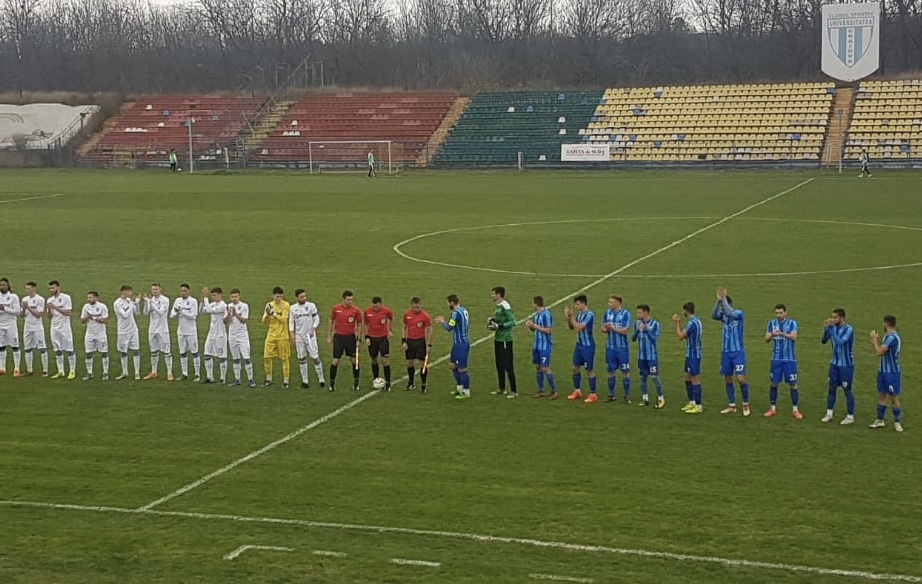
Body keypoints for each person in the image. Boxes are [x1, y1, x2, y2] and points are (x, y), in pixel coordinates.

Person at [712, 287, 750, 416]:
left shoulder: (738, 314)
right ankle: (732, 405)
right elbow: (713, 315)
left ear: (729, 304)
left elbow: (729, 312)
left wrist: (723, 300)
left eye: (724, 306)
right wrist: (718, 302)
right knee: (728, 379)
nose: (723, 309)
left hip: (738, 352)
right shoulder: (723, 316)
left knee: (741, 379)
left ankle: (745, 403)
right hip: (726, 352)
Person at [764, 303, 802, 419]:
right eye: (776, 313)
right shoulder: (771, 323)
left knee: (793, 384)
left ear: (785, 312)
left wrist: (781, 333)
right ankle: (772, 409)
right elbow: (766, 339)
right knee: (774, 383)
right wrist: (772, 334)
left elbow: (794, 337)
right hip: (776, 359)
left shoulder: (792, 323)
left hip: (790, 359)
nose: (778, 315)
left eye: (780, 313)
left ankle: (795, 409)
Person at [821, 308, 856, 425]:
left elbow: (839, 342)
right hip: (834, 364)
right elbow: (823, 341)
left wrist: (831, 329)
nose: (833, 319)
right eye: (832, 317)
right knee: (831, 388)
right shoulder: (833, 327)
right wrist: (826, 329)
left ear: (842, 318)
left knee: (847, 390)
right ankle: (829, 413)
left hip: (846, 366)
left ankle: (850, 416)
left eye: (835, 317)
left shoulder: (849, 329)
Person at [869, 315, 902, 432]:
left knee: (894, 397)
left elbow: (879, 352)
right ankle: (880, 420)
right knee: (882, 395)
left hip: (892, 373)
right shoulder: (888, 337)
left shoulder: (892, 338)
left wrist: (874, 341)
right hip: (883, 372)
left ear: (886, 324)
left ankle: (897, 422)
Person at [435, 294, 470, 399]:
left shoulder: (455, 313)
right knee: (452, 365)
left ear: (451, 302)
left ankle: (466, 392)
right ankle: (459, 389)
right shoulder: (463, 310)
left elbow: (449, 328)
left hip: (461, 345)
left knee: (462, 369)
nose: (447, 305)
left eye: (448, 303)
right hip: (457, 344)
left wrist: (442, 322)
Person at [290, 289, 325, 389]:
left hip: (310, 336)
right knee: (301, 358)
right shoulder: (293, 308)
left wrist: (313, 328)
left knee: (315, 357)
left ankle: (321, 379)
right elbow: (291, 321)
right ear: (297, 297)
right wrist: (292, 333)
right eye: (301, 297)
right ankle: (305, 381)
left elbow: (316, 318)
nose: (304, 298)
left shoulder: (311, 306)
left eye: (304, 296)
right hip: (299, 336)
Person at [328, 290, 363, 391]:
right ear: (344, 299)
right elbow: (331, 320)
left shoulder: (356, 310)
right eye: (348, 300)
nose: (350, 302)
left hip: (350, 338)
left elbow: (359, 324)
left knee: (354, 361)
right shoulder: (336, 308)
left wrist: (359, 339)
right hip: (338, 337)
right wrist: (329, 336)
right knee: (335, 361)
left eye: (351, 300)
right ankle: (332, 384)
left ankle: (356, 383)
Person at [565, 294, 597, 403]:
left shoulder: (589, 315)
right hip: (579, 345)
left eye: (577, 304)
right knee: (575, 368)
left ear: (583, 303)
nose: (576, 306)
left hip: (588, 346)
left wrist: (572, 316)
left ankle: (593, 394)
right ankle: (577, 391)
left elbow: (579, 328)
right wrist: (569, 317)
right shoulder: (579, 315)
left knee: (589, 370)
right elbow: (572, 327)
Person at [673, 302, 703, 414]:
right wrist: (680, 324)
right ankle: (692, 402)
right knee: (687, 378)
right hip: (690, 354)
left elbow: (680, 336)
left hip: (693, 355)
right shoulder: (697, 321)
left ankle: (698, 406)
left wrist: (677, 323)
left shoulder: (692, 323)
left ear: (686, 310)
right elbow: (685, 335)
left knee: (695, 380)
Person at [633, 304, 664, 408]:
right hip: (641, 356)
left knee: (654, 377)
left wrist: (647, 331)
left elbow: (654, 340)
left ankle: (661, 398)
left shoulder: (655, 324)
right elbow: (633, 338)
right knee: (643, 377)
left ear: (646, 312)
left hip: (652, 356)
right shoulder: (637, 323)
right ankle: (645, 398)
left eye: (639, 312)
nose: (637, 314)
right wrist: (637, 330)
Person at [601, 294, 631, 403]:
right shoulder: (607, 313)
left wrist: (612, 328)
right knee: (610, 371)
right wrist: (605, 329)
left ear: (618, 302)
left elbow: (626, 331)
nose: (609, 304)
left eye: (611, 302)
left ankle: (627, 396)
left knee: (625, 371)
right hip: (610, 348)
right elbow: (602, 328)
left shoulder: (626, 314)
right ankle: (611, 394)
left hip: (622, 348)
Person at [525, 295, 556, 399]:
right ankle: (541, 390)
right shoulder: (537, 315)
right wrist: (531, 326)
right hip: (537, 346)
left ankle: (554, 391)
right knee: (538, 368)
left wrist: (534, 326)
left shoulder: (546, 314)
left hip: (545, 346)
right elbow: (535, 329)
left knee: (545, 368)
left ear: (535, 304)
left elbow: (548, 330)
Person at [489, 286, 517, 398]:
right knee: (499, 364)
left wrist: (500, 325)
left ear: (498, 295)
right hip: (498, 339)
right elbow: (500, 320)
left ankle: (514, 391)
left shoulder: (505, 306)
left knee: (508, 366)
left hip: (505, 340)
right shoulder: (498, 306)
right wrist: (493, 322)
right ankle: (502, 388)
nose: (492, 296)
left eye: (493, 294)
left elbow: (513, 321)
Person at [142, 282, 173, 381]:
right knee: (153, 351)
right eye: (153, 289)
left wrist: (150, 302)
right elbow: (145, 313)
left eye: (156, 289)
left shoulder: (165, 300)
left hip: (163, 329)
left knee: (167, 351)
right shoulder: (151, 300)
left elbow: (160, 312)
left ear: (160, 289)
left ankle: (169, 373)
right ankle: (154, 372)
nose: (154, 291)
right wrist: (146, 302)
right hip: (152, 329)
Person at [46, 280, 77, 379]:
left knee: (69, 349)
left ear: (58, 287)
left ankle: (72, 371)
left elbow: (68, 313)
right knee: (57, 349)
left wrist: (55, 307)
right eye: (50, 288)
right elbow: (49, 317)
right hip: (54, 327)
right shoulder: (49, 300)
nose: (51, 290)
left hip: (65, 327)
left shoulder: (66, 298)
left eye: (53, 288)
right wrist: (49, 309)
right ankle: (60, 371)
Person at [226, 288, 256, 388]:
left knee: (246, 358)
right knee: (235, 358)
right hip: (232, 335)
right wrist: (229, 315)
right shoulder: (228, 306)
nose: (234, 298)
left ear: (239, 296)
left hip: (242, 335)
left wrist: (235, 314)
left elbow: (244, 320)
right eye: (232, 297)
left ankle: (251, 379)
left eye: (236, 296)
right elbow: (225, 321)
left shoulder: (244, 306)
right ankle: (237, 379)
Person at [262, 286, 291, 388]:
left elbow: (284, 320)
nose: (279, 299)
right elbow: (263, 321)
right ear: (273, 296)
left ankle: (286, 381)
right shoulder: (269, 305)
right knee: (266, 357)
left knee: (284, 358)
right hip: (271, 335)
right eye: (277, 297)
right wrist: (267, 315)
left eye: (281, 297)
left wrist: (274, 314)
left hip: (283, 336)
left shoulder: (286, 305)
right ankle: (269, 378)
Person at [171, 283, 201, 382]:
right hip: (181, 331)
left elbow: (193, 316)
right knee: (182, 352)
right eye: (181, 291)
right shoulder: (177, 301)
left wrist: (182, 312)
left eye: (184, 291)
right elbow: (171, 315)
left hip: (191, 331)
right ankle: (184, 374)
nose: (183, 292)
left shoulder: (193, 301)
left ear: (189, 291)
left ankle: (197, 374)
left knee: (194, 352)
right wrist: (176, 312)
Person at [402, 296, 432, 393]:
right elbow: (404, 327)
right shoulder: (407, 314)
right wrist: (404, 341)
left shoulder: (425, 316)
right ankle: (411, 383)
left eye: (417, 307)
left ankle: (423, 385)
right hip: (410, 341)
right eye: (414, 307)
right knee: (409, 363)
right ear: (411, 306)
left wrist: (429, 344)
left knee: (422, 363)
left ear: (421, 305)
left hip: (420, 342)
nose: (416, 309)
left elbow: (429, 329)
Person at [364, 296, 394, 391]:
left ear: (381, 304)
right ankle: (376, 379)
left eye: (377, 306)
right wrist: (366, 337)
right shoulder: (367, 311)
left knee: (385, 360)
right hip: (372, 339)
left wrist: (390, 330)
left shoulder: (387, 311)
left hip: (383, 338)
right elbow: (365, 324)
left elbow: (391, 318)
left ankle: (388, 383)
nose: (376, 308)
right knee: (373, 360)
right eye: (374, 306)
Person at [112, 284, 142, 380]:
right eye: (129, 292)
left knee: (136, 350)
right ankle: (125, 372)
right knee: (123, 352)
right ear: (124, 292)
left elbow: (137, 313)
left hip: (133, 330)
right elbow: (125, 315)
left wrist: (137, 303)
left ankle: (137, 373)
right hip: (122, 331)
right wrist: (132, 303)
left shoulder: (129, 301)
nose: (131, 294)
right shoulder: (117, 303)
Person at [20, 282, 49, 377]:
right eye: (26, 289)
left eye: (28, 289)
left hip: (37, 328)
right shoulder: (24, 299)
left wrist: (28, 307)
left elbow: (38, 315)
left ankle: (45, 370)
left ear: (34, 289)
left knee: (42, 348)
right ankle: (29, 370)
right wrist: (23, 309)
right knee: (27, 348)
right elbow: (21, 315)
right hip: (27, 327)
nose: (27, 291)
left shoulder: (40, 299)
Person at [201, 286, 228, 384]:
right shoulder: (213, 304)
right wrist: (202, 301)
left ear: (220, 295)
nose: (213, 297)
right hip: (211, 334)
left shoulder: (223, 306)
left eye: (214, 295)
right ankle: (209, 377)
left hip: (220, 335)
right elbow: (202, 311)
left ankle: (222, 378)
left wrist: (205, 298)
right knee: (207, 354)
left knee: (222, 357)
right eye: (212, 295)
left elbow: (209, 310)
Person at [80, 291, 110, 381]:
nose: (88, 299)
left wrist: (93, 317)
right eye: (88, 298)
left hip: (101, 334)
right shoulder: (86, 307)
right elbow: (82, 321)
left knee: (104, 353)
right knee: (88, 353)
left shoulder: (102, 306)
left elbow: (105, 320)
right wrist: (87, 317)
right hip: (89, 334)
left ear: (96, 297)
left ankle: (105, 372)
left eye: (90, 297)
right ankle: (89, 373)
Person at [0, 277, 22, 376]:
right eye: (0, 285)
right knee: (1, 346)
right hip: (0, 324)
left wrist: (5, 309)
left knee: (15, 346)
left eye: (4, 285)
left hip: (11, 325)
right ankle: (2, 368)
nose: (2, 287)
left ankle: (16, 368)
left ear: (8, 286)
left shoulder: (13, 297)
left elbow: (17, 312)